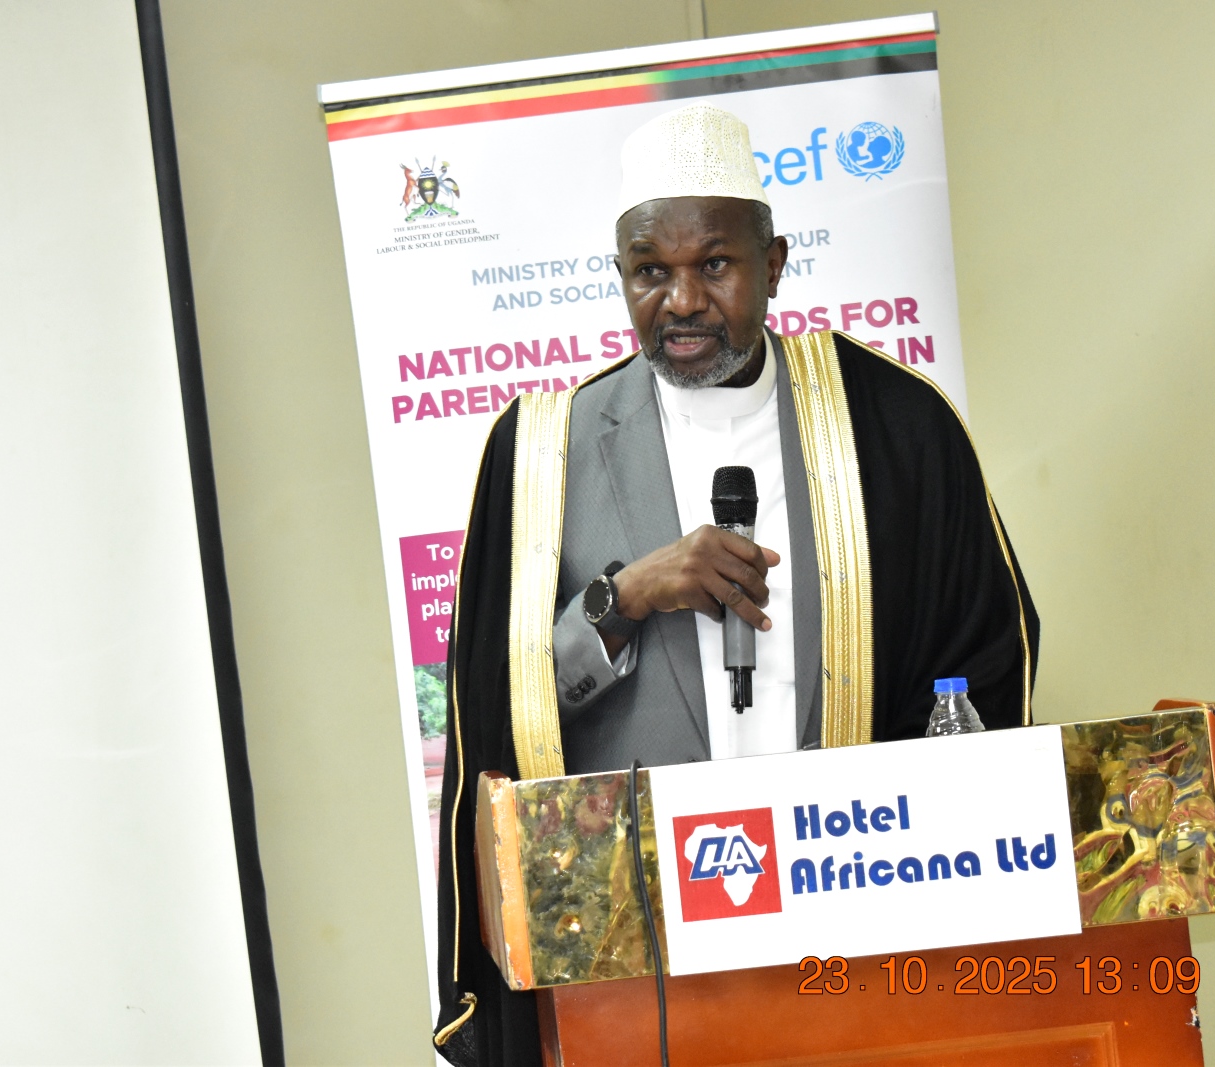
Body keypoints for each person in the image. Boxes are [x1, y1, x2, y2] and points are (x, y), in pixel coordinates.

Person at [432, 103, 1038, 1066]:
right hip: (639, 970)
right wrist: (623, 597)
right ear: (620, 276)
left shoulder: (896, 426)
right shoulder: (540, 451)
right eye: (650, 272)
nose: (680, 302)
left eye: (713, 264)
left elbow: (984, 658)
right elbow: (490, 715)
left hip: (863, 940)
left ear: (775, 264)